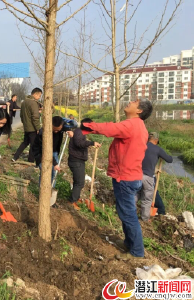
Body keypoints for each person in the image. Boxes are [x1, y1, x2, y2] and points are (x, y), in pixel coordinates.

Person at [81, 98, 153, 260]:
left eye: (135, 101)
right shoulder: (138, 126)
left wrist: (88, 126)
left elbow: (111, 128)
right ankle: (129, 243)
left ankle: (137, 252)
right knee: (125, 212)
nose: (131, 101)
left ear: (139, 110)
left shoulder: (132, 124)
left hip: (126, 178)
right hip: (130, 176)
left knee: (128, 214)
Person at [136, 132, 172, 220]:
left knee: (135, 194)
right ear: (156, 140)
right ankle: (145, 218)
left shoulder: (141, 146)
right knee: (147, 198)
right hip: (148, 177)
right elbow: (170, 159)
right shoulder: (157, 149)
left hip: (136, 175)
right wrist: (164, 155)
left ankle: (129, 214)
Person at [68, 118, 101, 211]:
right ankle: (71, 201)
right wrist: (91, 143)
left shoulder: (81, 133)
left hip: (79, 160)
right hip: (76, 161)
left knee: (77, 181)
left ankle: (76, 198)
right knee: (80, 182)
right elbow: (79, 143)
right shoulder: (79, 132)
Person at [32, 116, 74, 188]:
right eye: (54, 130)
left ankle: (51, 189)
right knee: (45, 172)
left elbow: (70, 125)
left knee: (54, 173)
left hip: (54, 152)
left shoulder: (61, 125)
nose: (56, 132)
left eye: (58, 130)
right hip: (41, 153)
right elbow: (45, 151)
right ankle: (42, 191)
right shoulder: (43, 133)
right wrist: (55, 164)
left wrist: (69, 130)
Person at [12, 88, 43, 163]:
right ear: (35, 94)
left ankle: (15, 157)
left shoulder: (24, 102)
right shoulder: (33, 103)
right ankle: (31, 160)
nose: (39, 98)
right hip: (32, 128)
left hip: (26, 127)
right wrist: (38, 128)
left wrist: (25, 124)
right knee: (33, 145)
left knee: (25, 142)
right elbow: (35, 117)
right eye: (39, 96)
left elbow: (21, 115)